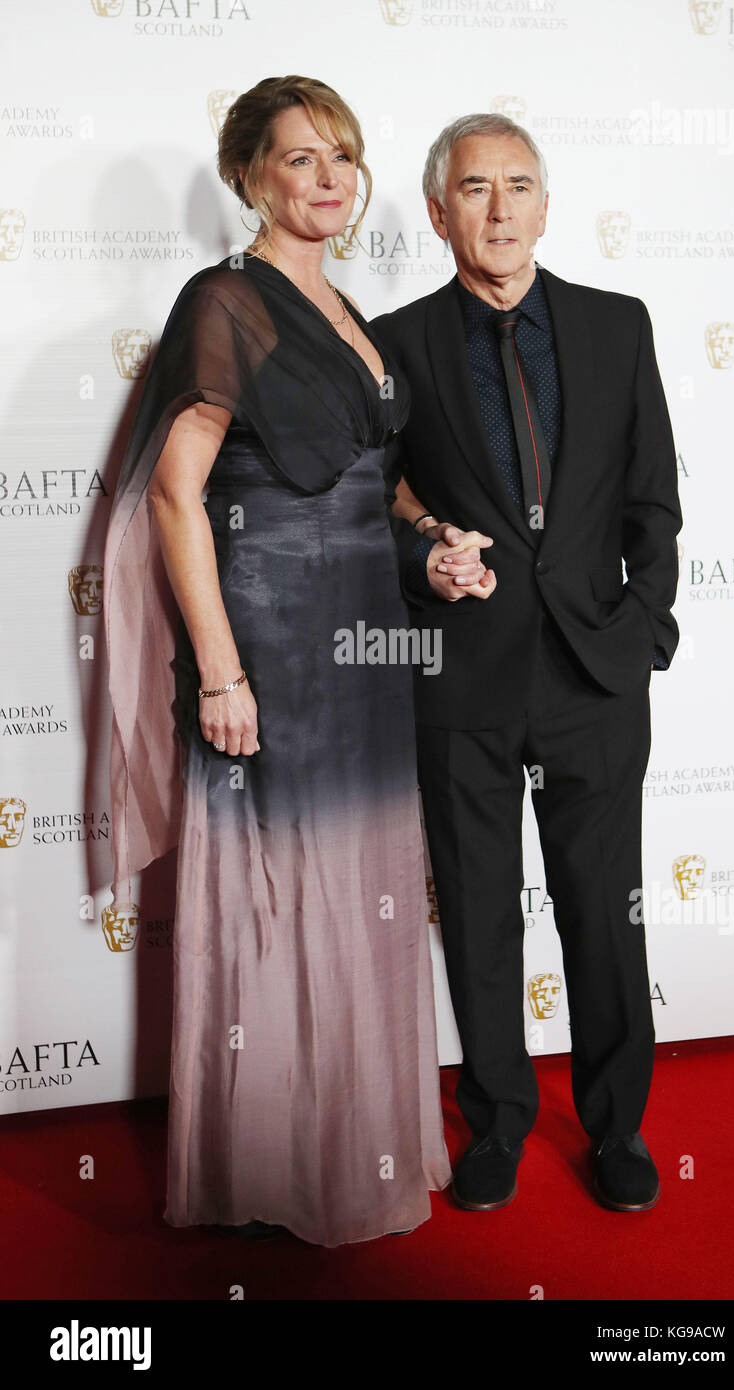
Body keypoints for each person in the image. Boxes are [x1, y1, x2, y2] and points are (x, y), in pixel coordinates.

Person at [103, 75, 454, 1248]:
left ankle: (355, 1139)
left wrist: (432, 544)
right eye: (300, 158)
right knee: (278, 881)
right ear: (250, 172)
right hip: (272, 628)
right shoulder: (228, 300)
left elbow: (379, 483)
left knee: (361, 878)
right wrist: (218, 668)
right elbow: (173, 492)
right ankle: (278, 1160)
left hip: (366, 632)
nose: (328, 179)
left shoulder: (350, 309)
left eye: (342, 157)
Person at [372, 113, 682, 1213]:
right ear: (437, 210)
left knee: (603, 911)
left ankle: (616, 1129)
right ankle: (497, 1120)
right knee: (479, 907)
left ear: (546, 207)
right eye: (473, 189)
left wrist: (643, 631)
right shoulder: (395, 344)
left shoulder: (615, 325)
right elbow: (375, 501)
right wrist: (425, 560)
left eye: (517, 186)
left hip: (596, 676)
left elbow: (651, 498)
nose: (497, 209)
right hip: (464, 675)